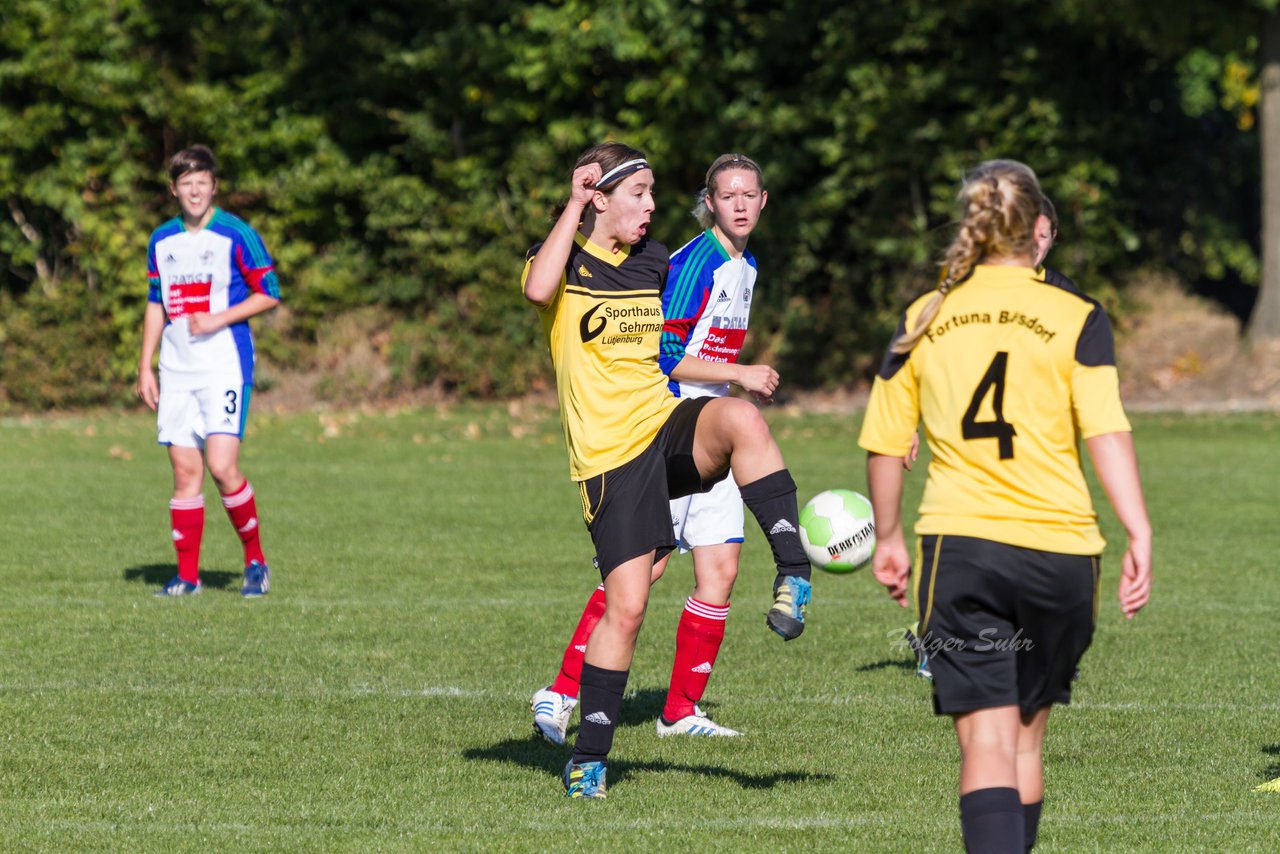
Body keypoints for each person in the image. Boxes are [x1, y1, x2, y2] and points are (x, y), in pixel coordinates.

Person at [857, 160, 1153, 852]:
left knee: (986, 739)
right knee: (1026, 735)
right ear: (1036, 229)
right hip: (1063, 555)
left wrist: (890, 537)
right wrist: (1138, 530)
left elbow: (882, 443)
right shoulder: (1077, 315)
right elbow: (1107, 429)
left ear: (974, 223)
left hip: (964, 552)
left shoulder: (925, 314)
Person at [523, 142, 810, 799]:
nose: (652, 206)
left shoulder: (653, 260)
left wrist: (732, 378)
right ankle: (589, 758)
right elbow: (539, 288)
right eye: (638, 194)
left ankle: (796, 571)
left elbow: (670, 356)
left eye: (654, 192)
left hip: (664, 426)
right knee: (626, 609)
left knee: (741, 420)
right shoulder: (566, 264)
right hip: (610, 461)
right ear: (598, 196)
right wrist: (573, 202)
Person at [137, 145, 280, 597]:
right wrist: (146, 365)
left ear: (213, 186)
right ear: (174, 189)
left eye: (202, 182)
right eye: (186, 183)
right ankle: (187, 576)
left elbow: (269, 292)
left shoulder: (237, 234)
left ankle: (255, 561)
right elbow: (157, 303)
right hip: (176, 370)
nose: (194, 190)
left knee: (221, 466)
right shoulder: (162, 240)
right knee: (184, 472)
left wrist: (219, 319)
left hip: (223, 365)